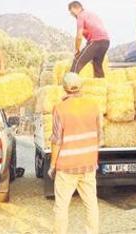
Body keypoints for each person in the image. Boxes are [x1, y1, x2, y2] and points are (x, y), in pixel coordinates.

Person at [49, 72, 103, 234]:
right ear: (81, 86)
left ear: (64, 89)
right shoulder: (94, 105)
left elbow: (56, 140)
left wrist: (52, 165)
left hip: (67, 168)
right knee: (91, 204)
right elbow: (100, 137)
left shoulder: (59, 108)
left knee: (61, 206)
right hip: (88, 165)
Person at [68, 1, 110, 78]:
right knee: (97, 66)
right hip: (106, 42)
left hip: (96, 41)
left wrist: (77, 50)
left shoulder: (80, 16)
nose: (71, 14)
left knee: (77, 61)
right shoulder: (91, 14)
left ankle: (69, 86)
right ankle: (100, 87)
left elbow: (79, 36)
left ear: (75, 8)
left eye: (71, 12)